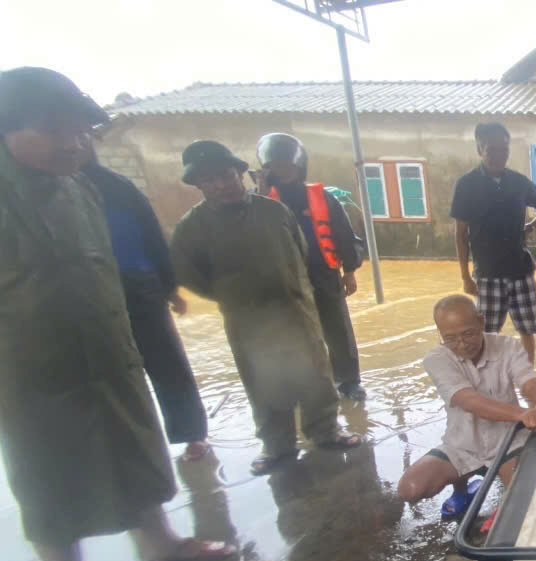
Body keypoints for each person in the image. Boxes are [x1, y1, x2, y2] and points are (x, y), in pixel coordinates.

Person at [0, 67, 236, 561]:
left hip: (109, 356)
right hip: (32, 378)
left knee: (137, 455)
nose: (73, 144)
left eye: (81, 131)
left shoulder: (83, 189)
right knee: (48, 488)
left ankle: (161, 545)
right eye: (55, 130)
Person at [170, 140, 363, 475]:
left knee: (315, 374)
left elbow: (299, 252)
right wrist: (230, 295)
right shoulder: (192, 227)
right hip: (247, 320)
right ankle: (277, 446)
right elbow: (189, 274)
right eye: (209, 181)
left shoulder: (274, 212)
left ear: (240, 174)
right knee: (262, 381)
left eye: (227, 175)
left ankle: (326, 431)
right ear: (199, 186)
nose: (221, 185)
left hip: (296, 310)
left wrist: (295, 288)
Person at [81, 144, 211, 462]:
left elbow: (152, 235)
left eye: (83, 135)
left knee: (166, 362)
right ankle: (131, 444)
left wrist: (169, 287)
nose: (75, 143)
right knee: (108, 372)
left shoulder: (117, 187)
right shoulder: (43, 191)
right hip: (86, 292)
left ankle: (192, 435)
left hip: (139, 286)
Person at [397, 296, 536, 517]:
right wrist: (524, 414)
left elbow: (530, 382)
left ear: (481, 322)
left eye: (468, 333)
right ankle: (462, 491)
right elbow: (469, 401)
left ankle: (502, 493)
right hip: (462, 445)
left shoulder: (508, 346)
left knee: (529, 501)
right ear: (440, 333)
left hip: (509, 442)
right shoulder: (436, 359)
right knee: (410, 489)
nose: (461, 343)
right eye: (450, 338)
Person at [256, 133, 367, 401]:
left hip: (323, 275)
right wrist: (260, 191)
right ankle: (302, 386)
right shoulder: (256, 202)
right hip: (281, 282)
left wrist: (349, 271)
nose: (283, 172)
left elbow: (343, 234)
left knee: (337, 330)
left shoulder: (323, 198)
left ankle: (349, 381)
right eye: (276, 166)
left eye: (288, 166)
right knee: (291, 336)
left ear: (299, 166)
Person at [451, 122, 536, 362]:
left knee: (527, 330)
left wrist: (530, 226)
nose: (499, 156)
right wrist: (466, 277)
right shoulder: (466, 185)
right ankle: (486, 382)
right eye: (492, 150)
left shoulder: (518, 182)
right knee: (486, 333)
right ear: (480, 149)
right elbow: (460, 234)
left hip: (520, 269)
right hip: (488, 273)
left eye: (504, 150)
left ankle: (527, 378)